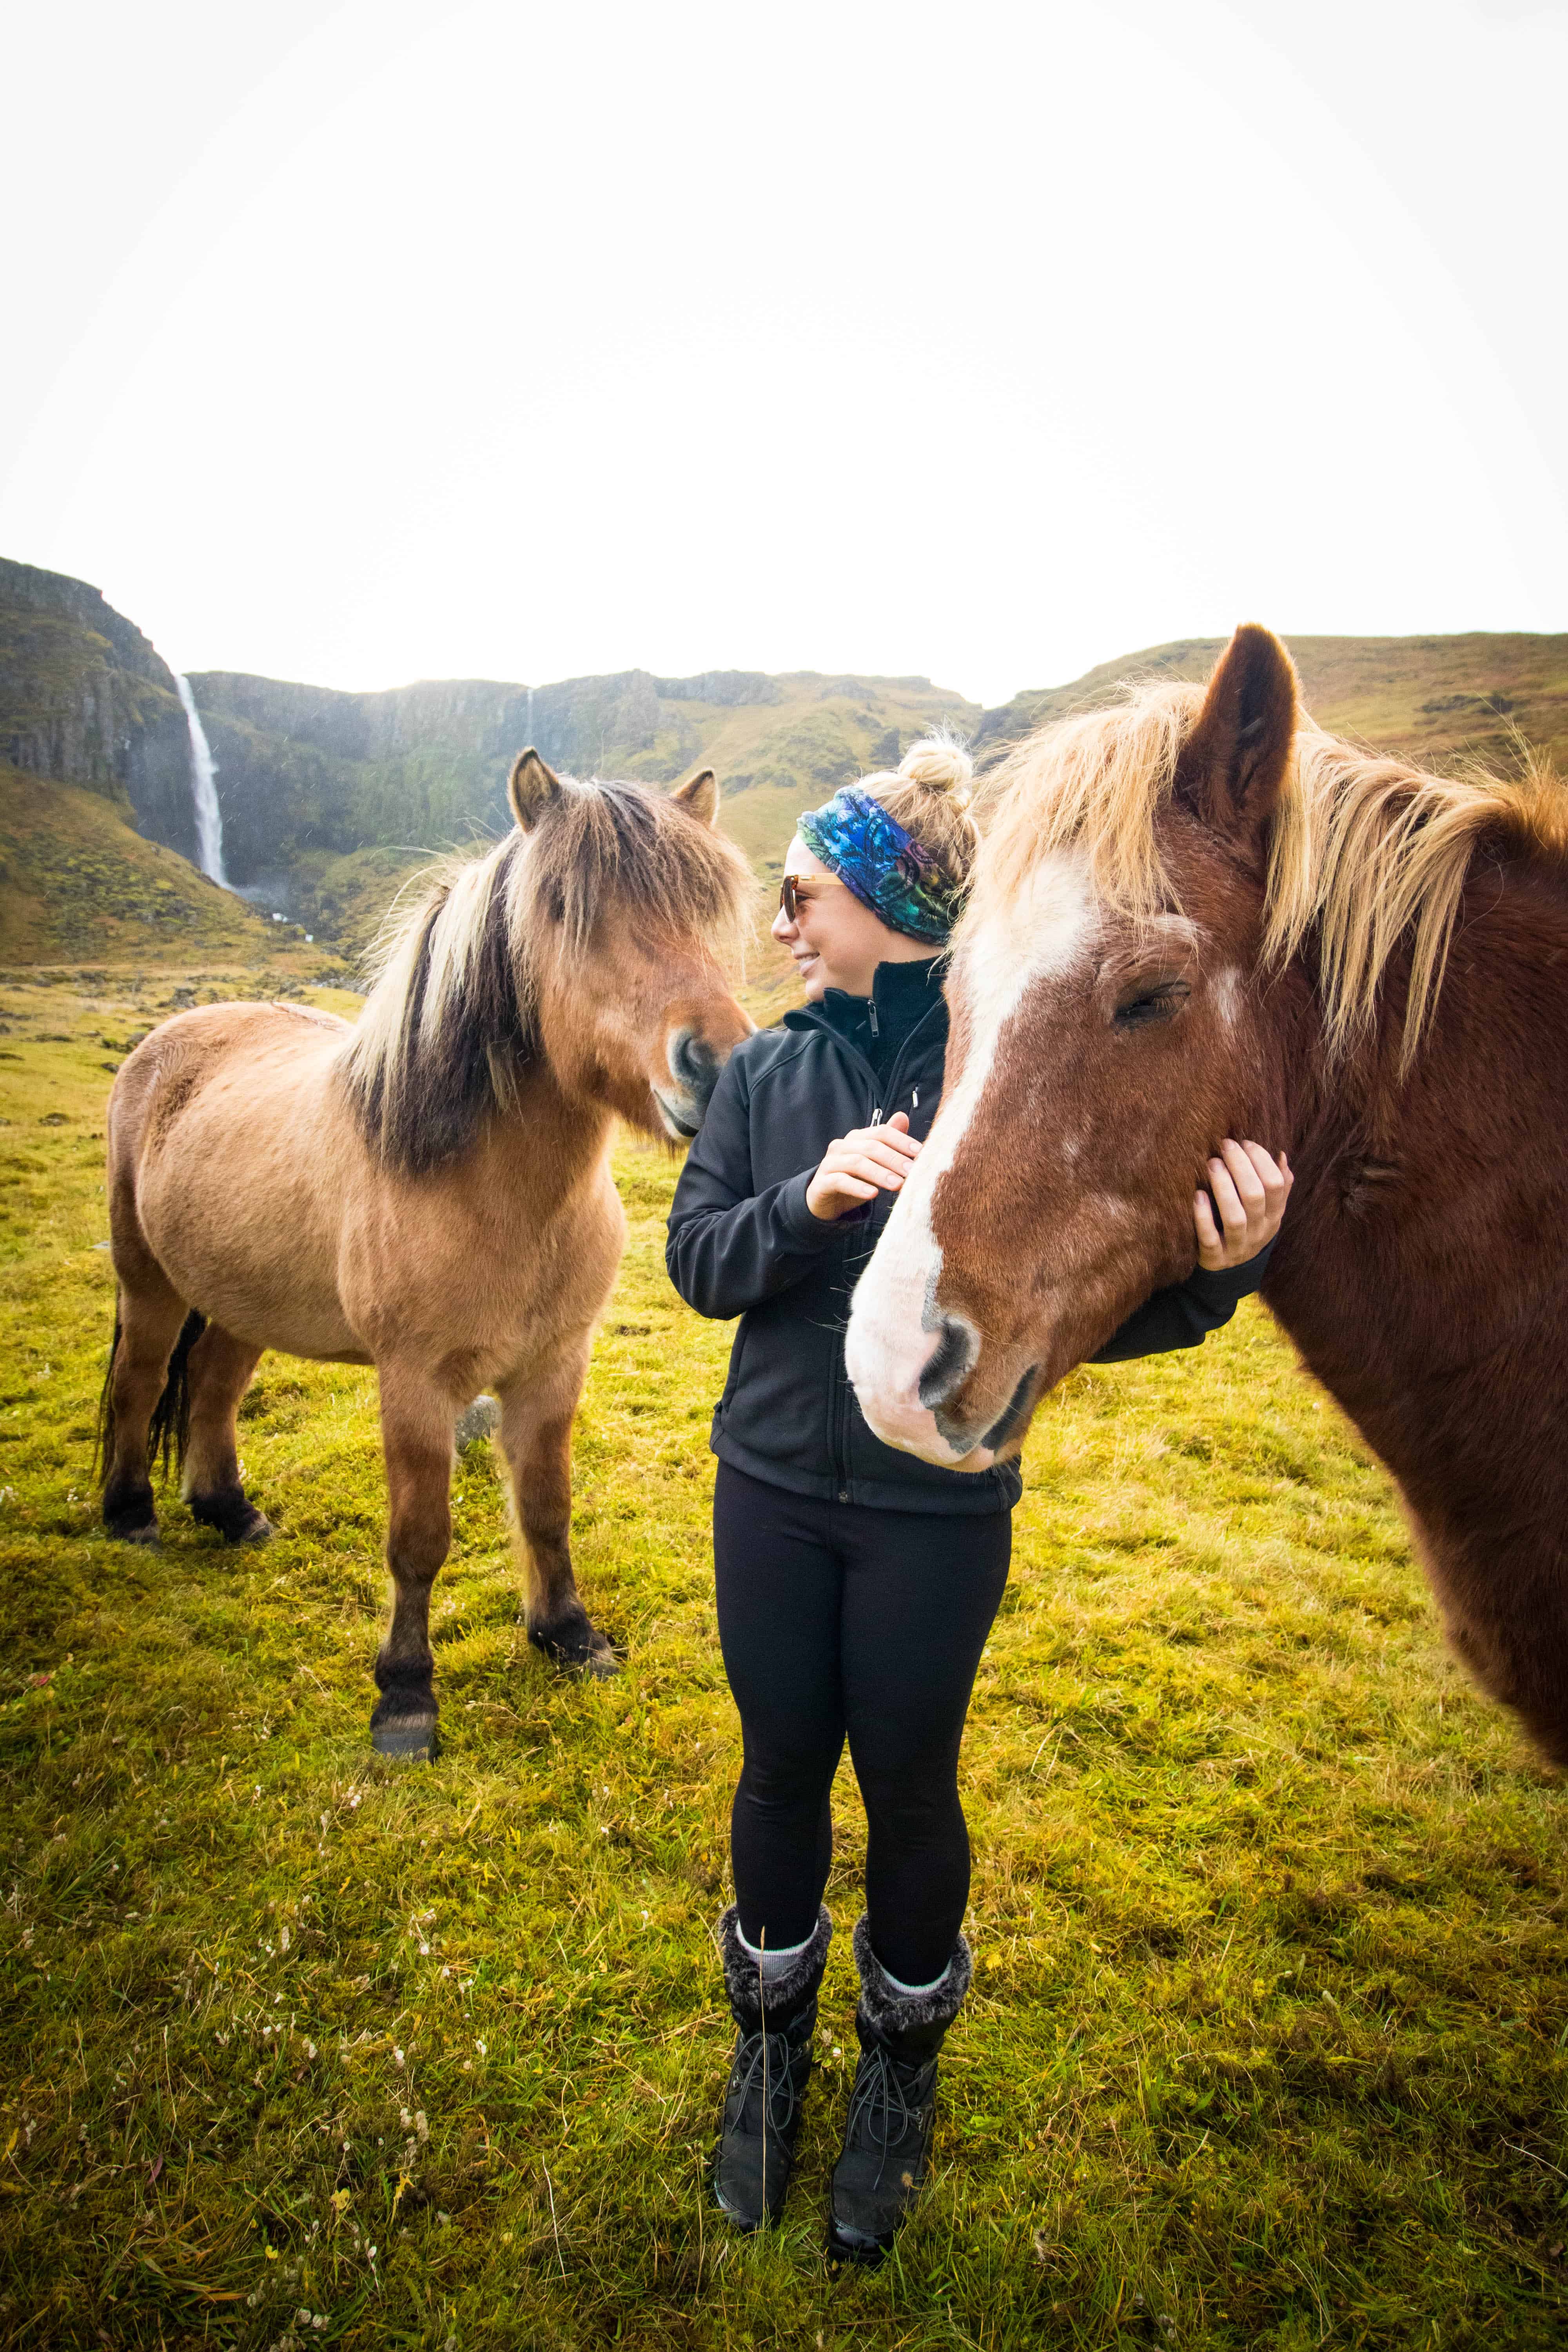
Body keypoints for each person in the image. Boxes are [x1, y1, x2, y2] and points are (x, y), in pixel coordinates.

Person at [664, 737, 1292, 2262]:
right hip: (766, 1482)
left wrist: (1223, 1279)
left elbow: (1069, 1286)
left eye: (801, 894)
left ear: (879, 903)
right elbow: (697, 1265)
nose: (782, 924)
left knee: (909, 1787)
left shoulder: (984, 1056)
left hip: (934, 1510)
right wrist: (799, 1204)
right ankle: (766, 2053)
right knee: (775, 1771)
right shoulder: (760, 1074)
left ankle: (895, 2084)